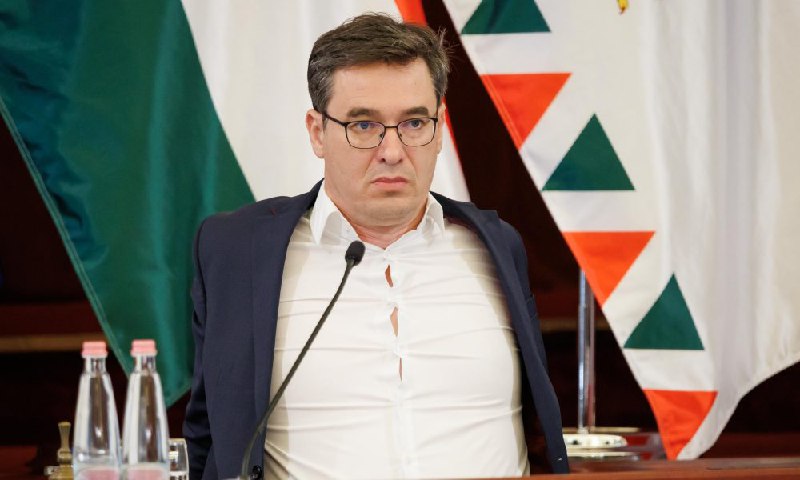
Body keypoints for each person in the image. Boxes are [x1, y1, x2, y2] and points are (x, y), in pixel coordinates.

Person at [184, 13, 568, 479]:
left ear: (439, 129)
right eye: (364, 125)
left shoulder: (496, 246)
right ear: (317, 132)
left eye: (414, 122)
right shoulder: (237, 252)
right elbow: (209, 435)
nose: (392, 151)